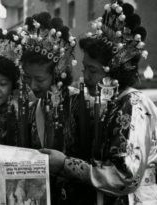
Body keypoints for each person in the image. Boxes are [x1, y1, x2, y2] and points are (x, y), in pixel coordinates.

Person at [41, 1, 157, 204]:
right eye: (84, 70)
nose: (86, 78)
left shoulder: (134, 104)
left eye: (92, 71)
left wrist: (66, 164)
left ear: (115, 72)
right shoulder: (111, 104)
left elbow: (125, 175)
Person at [19, 12, 96, 204]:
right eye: (28, 78)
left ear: (58, 74)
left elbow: (99, 164)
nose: (33, 86)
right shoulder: (30, 110)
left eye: (40, 79)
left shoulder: (82, 104)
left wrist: (66, 165)